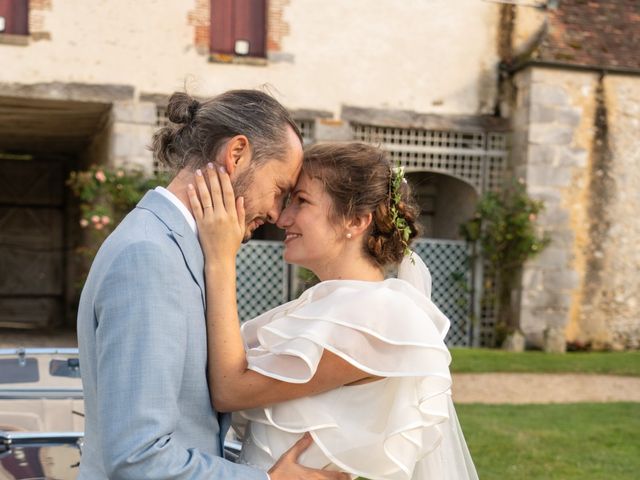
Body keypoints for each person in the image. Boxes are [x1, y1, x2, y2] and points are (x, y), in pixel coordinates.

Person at [77, 90, 350, 480]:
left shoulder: (177, 248)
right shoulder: (149, 256)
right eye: (279, 190)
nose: (276, 214)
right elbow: (138, 457)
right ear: (236, 154)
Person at [188, 142, 479, 479]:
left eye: (302, 201)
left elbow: (230, 390)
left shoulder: (375, 319)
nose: (282, 218)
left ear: (355, 220)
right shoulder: (326, 306)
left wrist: (221, 259)